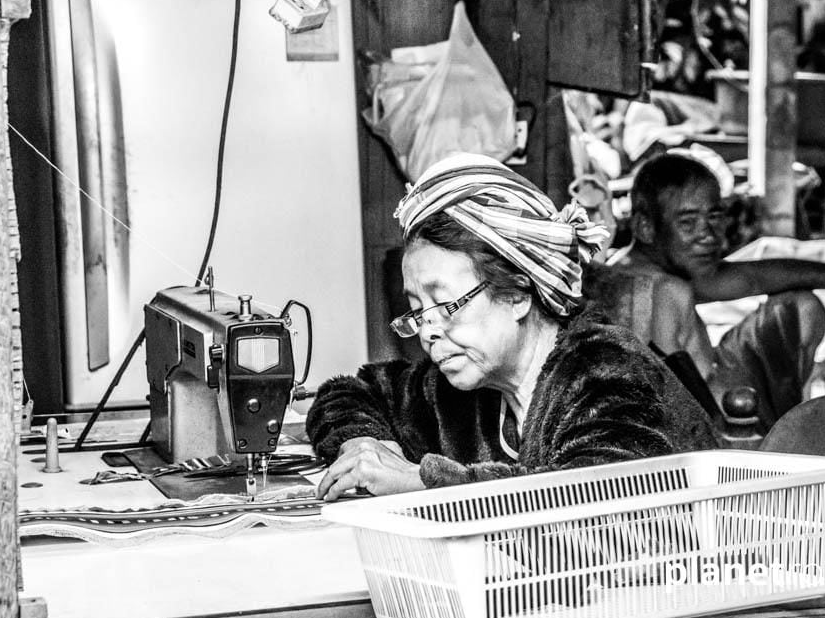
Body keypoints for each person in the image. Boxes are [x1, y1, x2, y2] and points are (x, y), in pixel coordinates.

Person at [307, 153, 718, 501]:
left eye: (445, 304)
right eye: (417, 310)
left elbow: (588, 503)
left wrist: (419, 481)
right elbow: (350, 392)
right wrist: (366, 443)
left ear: (517, 294)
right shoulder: (466, 386)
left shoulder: (608, 373)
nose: (427, 332)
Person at [586, 147, 825, 431]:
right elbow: (675, 401)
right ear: (645, 227)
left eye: (714, 217)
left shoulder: (657, 265)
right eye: (688, 222)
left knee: (800, 306)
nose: (708, 235)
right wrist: (735, 445)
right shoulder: (658, 289)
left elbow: (756, 278)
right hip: (702, 426)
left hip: (719, 397)